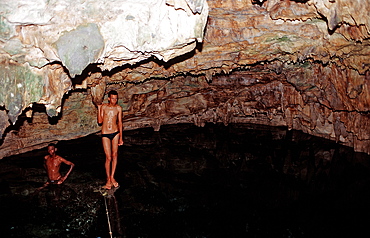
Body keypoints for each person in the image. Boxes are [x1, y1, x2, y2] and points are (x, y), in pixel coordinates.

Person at [97, 90, 123, 189]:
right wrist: (99, 109)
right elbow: (100, 121)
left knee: (115, 155)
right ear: (109, 98)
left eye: (116, 98)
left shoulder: (118, 108)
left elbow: (120, 123)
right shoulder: (104, 107)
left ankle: (112, 177)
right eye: (112, 98)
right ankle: (108, 179)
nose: (114, 100)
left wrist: (121, 137)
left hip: (115, 132)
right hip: (105, 134)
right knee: (108, 157)